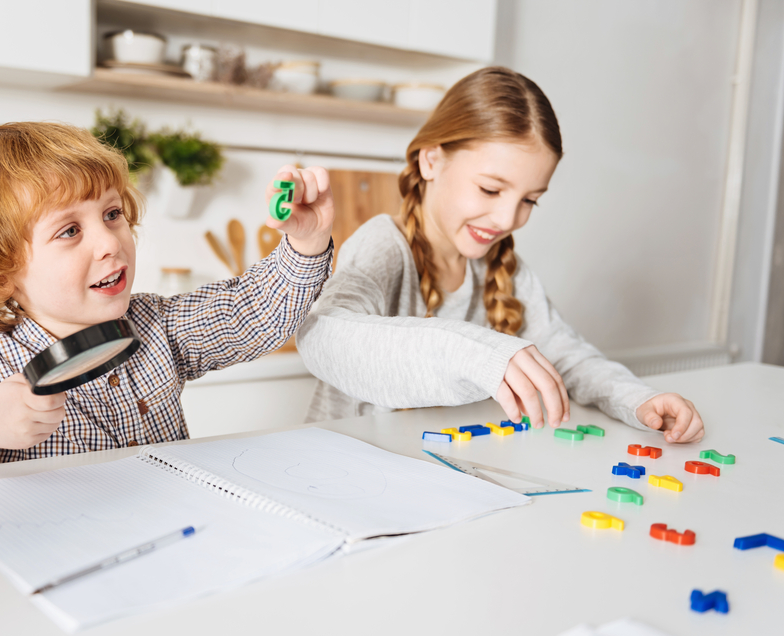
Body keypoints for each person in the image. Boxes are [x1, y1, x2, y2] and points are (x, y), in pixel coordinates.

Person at [0, 122, 334, 482]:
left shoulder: (155, 326)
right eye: (70, 230)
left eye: (112, 214)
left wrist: (306, 243)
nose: (110, 242)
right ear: (1, 273)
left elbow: (252, 312)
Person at [296, 66, 704, 443]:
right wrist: (478, 352)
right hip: (342, 467)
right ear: (431, 160)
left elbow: (566, 354)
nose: (509, 218)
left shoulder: (501, 267)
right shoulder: (384, 245)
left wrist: (638, 400)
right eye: (490, 189)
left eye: (530, 200)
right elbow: (323, 337)